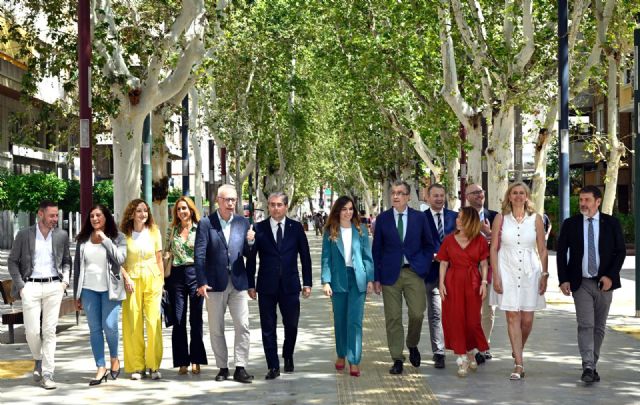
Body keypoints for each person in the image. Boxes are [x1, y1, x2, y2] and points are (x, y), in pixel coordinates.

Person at [556, 185, 625, 384]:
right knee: (586, 324)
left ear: (598, 201)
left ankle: (592, 364)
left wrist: (610, 276)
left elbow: (620, 252)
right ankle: (587, 365)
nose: (583, 204)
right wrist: (563, 279)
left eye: (587, 200)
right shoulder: (571, 224)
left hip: (605, 283)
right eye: (581, 200)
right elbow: (561, 253)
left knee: (599, 327)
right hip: (581, 282)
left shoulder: (611, 223)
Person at [246, 192, 312, 380]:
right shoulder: (258, 228)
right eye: (272, 204)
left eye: (279, 205)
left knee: (291, 324)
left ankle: (288, 354)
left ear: (286, 207)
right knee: (268, 327)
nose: (275, 208)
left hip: (290, 285)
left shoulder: (296, 228)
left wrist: (307, 282)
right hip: (266, 285)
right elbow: (251, 258)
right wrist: (250, 284)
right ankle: (273, 366)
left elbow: (305, 257)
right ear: (268, 206)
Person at [372, 180, 435, 375]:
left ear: (408, 196)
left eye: (400, 193)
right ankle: (397, 358)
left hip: (413, 272)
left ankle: (412, 343)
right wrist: (376, 278)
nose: (396, 196)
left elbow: (429, 245)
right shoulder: (383, 219)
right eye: (393, 193)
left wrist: (423, 265)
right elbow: (377, 250)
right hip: (389, 274)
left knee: (417, 313)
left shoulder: (419, 218)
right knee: (393, 317)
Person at [7, 200, 71, 389]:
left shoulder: (61, 235)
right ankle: (38, 358)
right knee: (32, 332)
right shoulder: (24, 235)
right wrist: (21, 286)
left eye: (57, 215)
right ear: (40, 214)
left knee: (49, 331)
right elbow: (12, 261)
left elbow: (66, 260)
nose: (55, 219)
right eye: (52, 215)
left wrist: (64, 282)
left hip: (54, 286)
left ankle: (48, 373)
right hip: (31, 287)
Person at [194, 184, 254, 383]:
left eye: (233, 200)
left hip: (238, 282)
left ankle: (240, 367)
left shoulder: (242, 222)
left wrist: (251, 242)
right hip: (214, 284)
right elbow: (199, 255)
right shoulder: (206, 223)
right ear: (218, 201)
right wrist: (201, 282)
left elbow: (248, 254)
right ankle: (222, 367)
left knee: (243, 325)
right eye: (227, 199)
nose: (230, 203)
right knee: (216, 328)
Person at [489, 182, 548, 380]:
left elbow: (542, 249)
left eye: (522, 193)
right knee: (512, 316)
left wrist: (545, 274)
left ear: (527, 196)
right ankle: (519, 364)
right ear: (509, 196)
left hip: (531, 271)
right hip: (507, 269)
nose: (518, 196)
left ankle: (518, 349)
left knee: (527, 320)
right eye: (514, 193)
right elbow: (493, 248)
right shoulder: (500, 218)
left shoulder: (536, 219)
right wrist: (496, 275)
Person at [73, 204, 127, 385]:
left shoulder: (118, 237)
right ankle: (100, 367)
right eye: (92, 216)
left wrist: (105, 239)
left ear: (106, 217)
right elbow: (77, 268)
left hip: (110, 290)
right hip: (88, 290)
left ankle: (114, 358)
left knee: (110, 326)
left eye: (98, 215)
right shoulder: (83, 240)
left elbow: (120, 259)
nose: (95, 219)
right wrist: (76, 295)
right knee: (95, 329)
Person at [321, 196, 374, 377]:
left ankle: (354, 360)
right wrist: (326, 281)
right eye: (344, 209)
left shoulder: (361, 230)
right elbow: (326, 258)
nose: (348, 212)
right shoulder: (330, 231)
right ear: (338, 211)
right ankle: (341, 354)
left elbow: (367, 256)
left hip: (357, 279)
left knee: (355, 321)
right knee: (340, 319)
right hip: (338, 280)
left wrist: (370, 279)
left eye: (351, 209)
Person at [437, 206, 490, 377]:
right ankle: (462, 359)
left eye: (461, 218)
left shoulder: (480, 240)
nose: (457, 220)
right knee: (456, 319)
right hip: (453, 282)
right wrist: (441, 283)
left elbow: (484, 263)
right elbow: (443, 262)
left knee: (472, 322)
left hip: (473, 282)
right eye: (457, 217)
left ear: (470, 220)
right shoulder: (448, 240)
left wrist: (484, 283)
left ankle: (471, 350)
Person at [120, 199, 164, 380]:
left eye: (145, 210)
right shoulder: (124, 235)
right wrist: (126, 277)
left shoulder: (154, 232)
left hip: (153, 280)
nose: (143, 214)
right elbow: (118, 261)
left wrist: (161, 281)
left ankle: (154, 366)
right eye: (139, 211)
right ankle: (137, 367)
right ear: (131, 213)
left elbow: (159, 258)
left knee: (154, 322)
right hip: (131, 282)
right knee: (133, 324)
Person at [165, 196, 207, 375]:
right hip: (176, 276)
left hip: (195, 274)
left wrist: (205, 279)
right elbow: (166, 250)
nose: (182, 212)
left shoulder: (200, 228)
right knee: (178, 319)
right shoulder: (172, 229)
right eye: (179, 209)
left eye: (185, 208)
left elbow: (205, 252)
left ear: (191, 210)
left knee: (196, 319)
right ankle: (182, 361)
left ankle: (196, 359)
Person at [423, 184, 457, 369]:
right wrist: (431, 256)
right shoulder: (420, 218)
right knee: (435, 313)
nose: (439, 199)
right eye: (435, 195)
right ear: (428, 197)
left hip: (455, 272)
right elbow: (415, 245)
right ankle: (439, 352)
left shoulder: (456, 217)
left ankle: (463, 348)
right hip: (431, 273)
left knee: (456, 312)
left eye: (441, 195)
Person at [465, 183, 497, 363]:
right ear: (467, 197)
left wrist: (489, 233)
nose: (479, 195)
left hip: (489, 268)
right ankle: (471, 345)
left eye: (481, 192)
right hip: (467, 269)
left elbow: (502, 241)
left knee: (488, 310)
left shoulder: (495, 216)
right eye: (475, 192)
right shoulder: (461, 216)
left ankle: (483, 346)